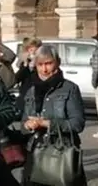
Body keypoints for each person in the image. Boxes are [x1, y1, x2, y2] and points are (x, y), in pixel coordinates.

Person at [20, 45, 86, 185]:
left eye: (48, 63)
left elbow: (77, 124)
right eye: (40, 64)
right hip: (36, 150)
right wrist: (28, 125)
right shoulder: (31, 90)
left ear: (57, 63)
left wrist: (47, 123)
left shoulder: (69, 88)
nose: (44, 69)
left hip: (62, 151)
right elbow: (23, 122)